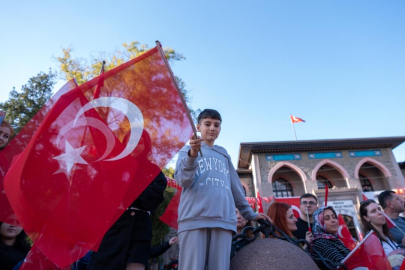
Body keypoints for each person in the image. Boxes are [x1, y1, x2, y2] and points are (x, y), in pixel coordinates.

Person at [175, 109, 271, 270]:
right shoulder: (186, 150)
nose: (212, 128)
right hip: (194, 218)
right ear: (198, 126)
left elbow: (235, 188)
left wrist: (249, 214)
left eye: (216, 125)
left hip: (223, 220)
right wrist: (192, 155)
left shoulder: (224, 154)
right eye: (207, 124)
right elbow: (183, 180)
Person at [89, 130, 167, 270]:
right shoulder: (112, 167)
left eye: (140, 142)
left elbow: (154, 198)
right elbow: (93, 198)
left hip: (140, 227)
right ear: (124, 143)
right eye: (130, 141)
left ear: (146, 145)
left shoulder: (153, 171)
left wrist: (125, 192)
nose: (135, 145)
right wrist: (104, 192)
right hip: (112, 226)